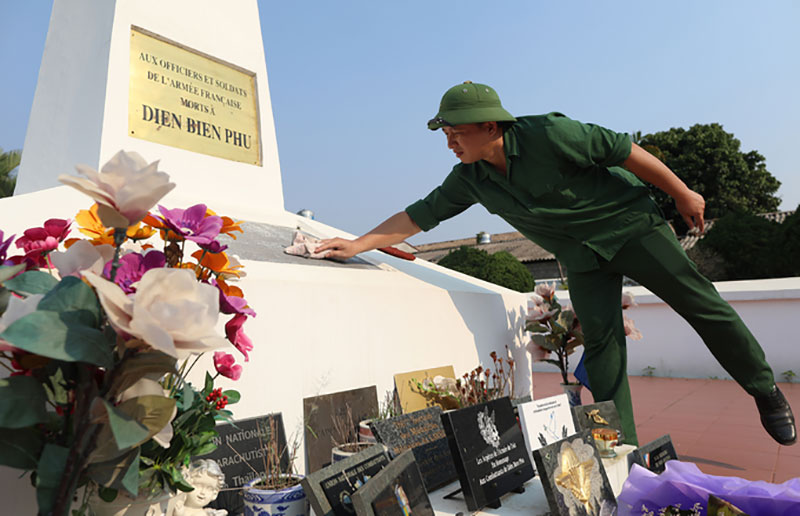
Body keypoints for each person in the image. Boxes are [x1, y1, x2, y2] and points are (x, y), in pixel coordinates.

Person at [317, 81, 797, 447]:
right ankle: (619, 447)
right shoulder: (469, 179)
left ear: (490, 127)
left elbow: (626, 153)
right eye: (445, 134)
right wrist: (359, 244)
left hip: (630, 229)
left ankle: (763, 389)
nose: (450, 143)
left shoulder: (550, 133)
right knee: (603, 349)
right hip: (580, 258)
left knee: (702, 305)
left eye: (456, 132)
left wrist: (683, 193)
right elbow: (421, 213)